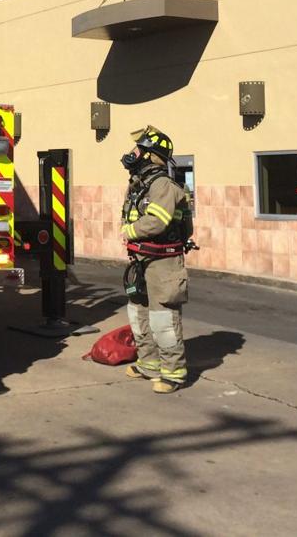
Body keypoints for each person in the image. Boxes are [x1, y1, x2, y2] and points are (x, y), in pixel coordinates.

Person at [120, 125, 193, 393]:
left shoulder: (163, 185)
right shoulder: (140, 184)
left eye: (138, 149)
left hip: (163, 262)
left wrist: (130, 231)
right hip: (142, 259)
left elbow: (157, 221)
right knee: (138, 313)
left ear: (151, 155)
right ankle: (149, 364)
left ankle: (173, 373)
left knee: (163, 318)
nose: (133, 153)